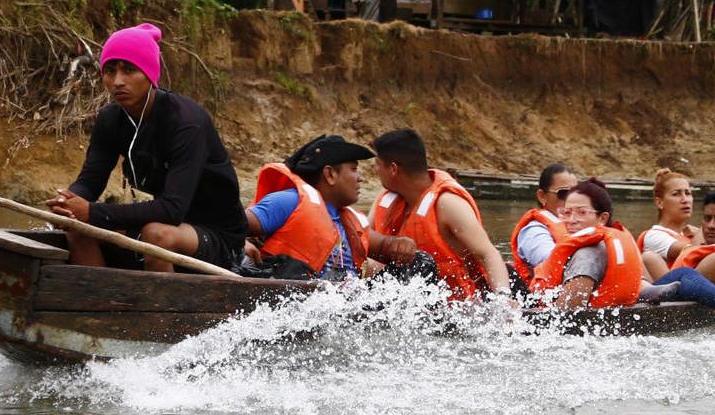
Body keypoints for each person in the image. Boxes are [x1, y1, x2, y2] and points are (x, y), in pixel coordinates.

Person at [46, 23, 249, 272]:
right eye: (109, 71)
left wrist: (92, 211)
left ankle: (160, 310)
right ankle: (101, 304)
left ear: (150, 73)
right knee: (77, 226)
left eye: (129, 70)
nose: (118, 81)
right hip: (167, 223)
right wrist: (68, 201)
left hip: (218, 236)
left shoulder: (186, 122)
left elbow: (172, 209)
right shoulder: (110, 119)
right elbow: (90, 182)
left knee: (156, 235)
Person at [244, 135, 420, 280]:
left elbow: (383, 246)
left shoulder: (351, 219)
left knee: (421, 262)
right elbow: (231, 224)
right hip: (298, 301)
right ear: (330, 174)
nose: (360, 178)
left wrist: (400, 244)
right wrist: (242, 242)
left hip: (347, 305)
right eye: (353, 169)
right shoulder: (289, 201)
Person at [367, 128, 510, 299]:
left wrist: (503, 298)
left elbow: (488, 254)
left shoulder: (448, 204)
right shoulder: (384, 200)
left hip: (458, 308)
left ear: (393, 169)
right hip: (408, 302)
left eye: (377, 164)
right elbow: (364, 246)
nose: (375, 170)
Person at [523, 179, 644, 308]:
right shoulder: (611, 243)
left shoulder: (587, 255)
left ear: (602, 218)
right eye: (567, 212)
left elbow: (566, 314)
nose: (572, 220)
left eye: (582, 212)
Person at [509, 163, 579, 290]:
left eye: (576, 193)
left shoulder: (580, 227)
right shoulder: (533, 232)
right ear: (542, 196)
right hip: (539, 303)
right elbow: (554, 263)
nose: (572, 200)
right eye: (563, 193)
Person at [640, 169, 702, 281]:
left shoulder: (691, 234)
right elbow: (695, 253)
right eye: (676, 194)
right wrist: (703, 230)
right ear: (660, 202)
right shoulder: (654, 236)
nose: (685, 200)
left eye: (688, 193)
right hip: (675, 295)